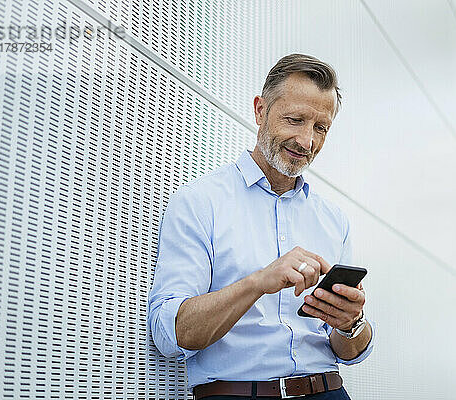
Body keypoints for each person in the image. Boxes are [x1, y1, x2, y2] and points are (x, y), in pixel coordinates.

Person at [148, 53, 375, 400]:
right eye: (295, 119)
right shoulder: (199, 202)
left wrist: (350, 324)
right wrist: (257, 282)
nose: (307, 141)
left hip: (329, 390)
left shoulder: (334, 220)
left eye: (320, 128)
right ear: (259, 110)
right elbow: (169, 335)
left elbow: (349, 351)